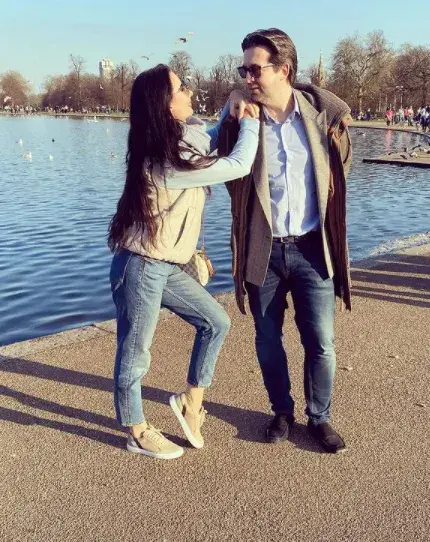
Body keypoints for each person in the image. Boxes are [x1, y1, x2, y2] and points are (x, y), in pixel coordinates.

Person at [108, 64, 259, 460]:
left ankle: (191, 402)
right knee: (135, 352)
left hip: (164, 265)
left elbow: (208, 140)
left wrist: (231, 110)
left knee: (216, 322)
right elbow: (237, 164)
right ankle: (136, 430)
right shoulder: (165, 161)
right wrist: (252, 123)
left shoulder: (175, 144)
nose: (190, 90)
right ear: (165, 103)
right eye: (182, 87)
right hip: (141, 265)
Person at [219, 28, 353, 453]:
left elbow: (342, 169)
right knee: (267, 340)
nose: (247, 78)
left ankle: (320, 417)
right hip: (264, 249)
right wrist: (230, 106)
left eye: (254, 69)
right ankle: (281, 410)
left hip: (313, 248)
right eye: (243, 70)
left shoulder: (319, 120)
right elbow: (217, 160)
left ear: (284, 70)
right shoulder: (244, 121)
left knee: (321, 343)